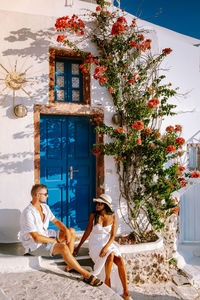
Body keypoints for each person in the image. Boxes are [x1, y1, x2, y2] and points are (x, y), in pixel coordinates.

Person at [19, 184, 103, 287]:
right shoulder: (28, 213)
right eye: (45, 194)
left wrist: (66, 230)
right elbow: (36, 237)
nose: (47, 196)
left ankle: (70, 265)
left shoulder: (44, 207)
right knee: (62, 247)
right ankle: (86, 275)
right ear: (37, 195)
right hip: (34, 245)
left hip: (46, 236)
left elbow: (56, 221)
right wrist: (54, 241)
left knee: (71, 231)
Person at [74, 194, 131, 300]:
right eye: (97, 203)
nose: (97, 205)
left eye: (100, 203)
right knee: (111, 253)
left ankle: (126, 291)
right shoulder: (94, 215)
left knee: (119, 260)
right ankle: (107, 281)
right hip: (95, 243)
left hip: (107, 243)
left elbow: (113, 236)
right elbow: (87, 232)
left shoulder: (113, 217)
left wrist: (105, 247)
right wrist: (78, 247)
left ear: (105, 205)